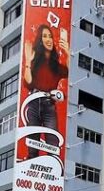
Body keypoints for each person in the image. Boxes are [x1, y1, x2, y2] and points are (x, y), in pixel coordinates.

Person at [22, 24, 69, 159]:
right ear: (40, 40)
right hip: (33, 102)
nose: (48, 39)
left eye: (50, 36)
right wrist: (28, 61)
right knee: (33, 146)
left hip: (49, 104)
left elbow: (70, 73)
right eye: (44, 36)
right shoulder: (35, 61)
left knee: (53, 146)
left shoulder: (56, 65)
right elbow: (28, 83)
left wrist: (67, 51)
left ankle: (53, 169)